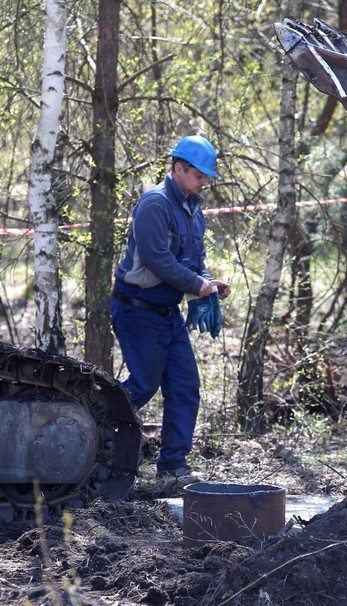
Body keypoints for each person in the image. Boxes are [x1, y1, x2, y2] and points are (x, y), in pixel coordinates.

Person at [110, 135, 230, 486]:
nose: (204, 180)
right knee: (144, 385)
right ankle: (94, 441)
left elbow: (194, 262)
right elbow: (155, 258)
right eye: (198, 174)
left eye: (207, 175)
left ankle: (172, 467)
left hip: (166, 313)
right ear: (178, 169)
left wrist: (210, 283)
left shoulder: (194, 211)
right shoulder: (155, 204)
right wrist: (197, 285)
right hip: (137, 309)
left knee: (185, 384)